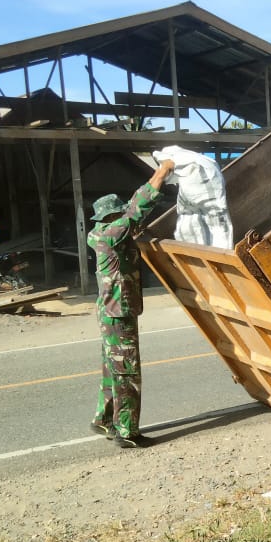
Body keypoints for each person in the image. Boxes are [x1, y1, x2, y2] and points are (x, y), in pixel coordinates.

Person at [88, 159, 176, 448]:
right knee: (127, 372)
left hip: (109, 313)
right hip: (118, 313)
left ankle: (104, 419)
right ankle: (126, 431)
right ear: (112, 217)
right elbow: (136, 210)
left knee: (111, 368)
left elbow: (130, 216)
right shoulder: (112, 235)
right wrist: (161, 173)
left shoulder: (102, 234)